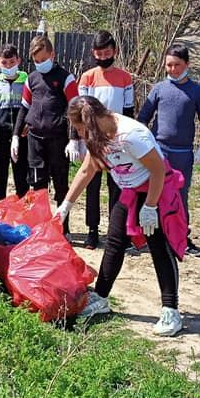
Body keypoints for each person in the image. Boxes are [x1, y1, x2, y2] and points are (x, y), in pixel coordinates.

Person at [55, 95, 188, 337]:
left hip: (154, 189)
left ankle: (171, 311)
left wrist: (150, 207)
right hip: (128, 191)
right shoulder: (97, 136)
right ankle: (101, 297)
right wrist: (66, 206)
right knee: (114, 242)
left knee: (159, 246)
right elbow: (87, 170)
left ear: (90, 123)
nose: (80, 135)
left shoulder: (131, 134)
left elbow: (158, 169)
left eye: (80, 129)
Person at [137, 44, 200, 255]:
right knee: (152, 192)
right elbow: (143, 118)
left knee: (180, 196)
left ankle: (181, 238)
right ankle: (150, 236)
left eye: (177, 65)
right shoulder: (159, 89)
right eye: (169, 65)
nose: (172, 69)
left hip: (182, 154)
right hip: (158, 151)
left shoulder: (196, 91)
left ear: (187, 64)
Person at [73, 29, 136, 249]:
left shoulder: (125, 77)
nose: (103, 57)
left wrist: (128, 138)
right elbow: (79, 111)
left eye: (107, 53)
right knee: (92, 184)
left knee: (117, 185)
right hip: (93, 137)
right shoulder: (87, 77)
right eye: (99, 54)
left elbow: (129, 110)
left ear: (114, 51)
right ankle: (92, 230)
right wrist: (76, 139)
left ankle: (115, 231)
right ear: (94, 53)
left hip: (118, 137)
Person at [12, 35, 79, 233]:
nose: (40, 63)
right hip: (35, 140)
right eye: (36, 61)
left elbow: (76, 109)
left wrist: (74, 138)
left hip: (58, 139)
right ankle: (40, 227)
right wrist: (15, 136)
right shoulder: (31, 79)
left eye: (43, 59)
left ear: (52, 55)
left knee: (60, 184)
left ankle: (63, 228)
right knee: (37, 184)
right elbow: (24, 108)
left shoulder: (66, 78)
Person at [0, 43, 29, 200]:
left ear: (18, 60)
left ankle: (23, 210)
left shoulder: (27, 84)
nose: (8, 66)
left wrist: (29, 125)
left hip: (22, 138)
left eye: (12, 62)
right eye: (4, 63)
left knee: (22, 179)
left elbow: (34, 109)